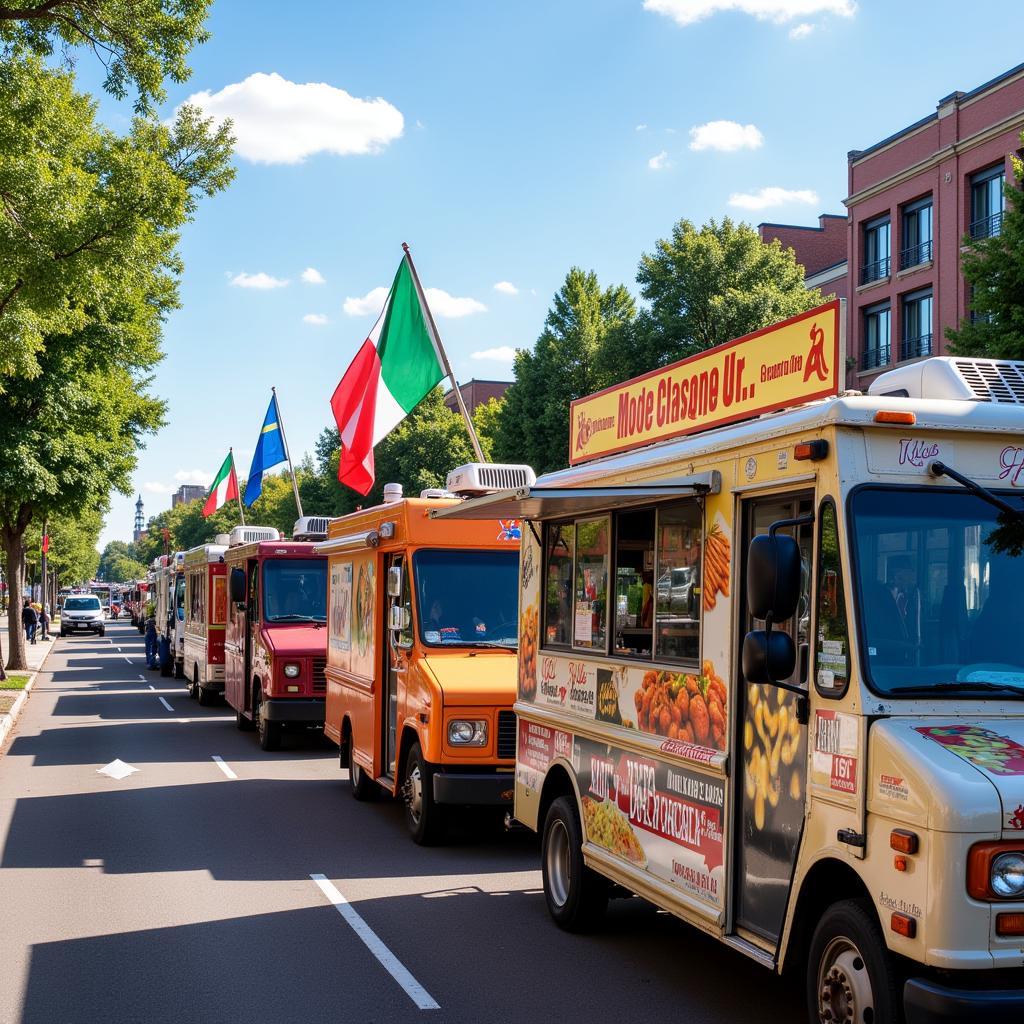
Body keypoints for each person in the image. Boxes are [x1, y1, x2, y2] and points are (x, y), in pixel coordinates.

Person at [145, 604, 159, 669]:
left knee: (149, 649)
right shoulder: (155, 621)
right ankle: (151, 663)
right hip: (153, 635)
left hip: (149, 635)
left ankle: (150, 663)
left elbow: (146, 630)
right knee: (152, 648)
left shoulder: (148, 621)